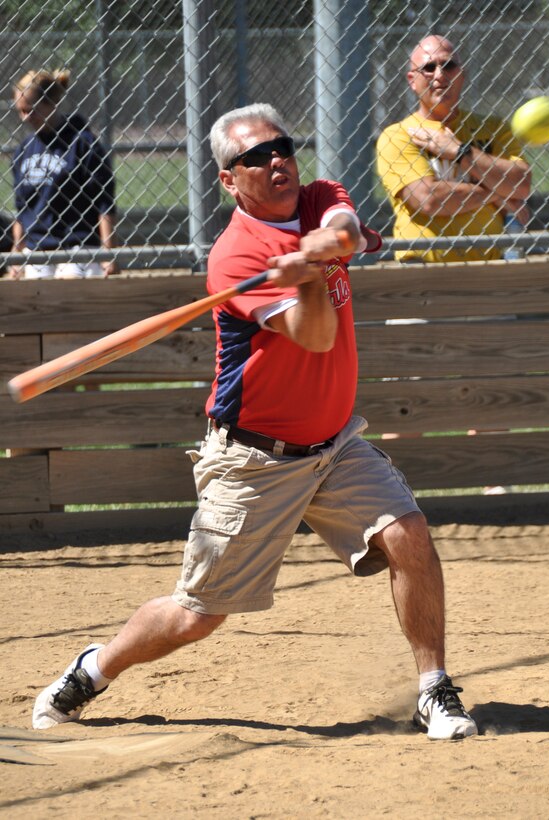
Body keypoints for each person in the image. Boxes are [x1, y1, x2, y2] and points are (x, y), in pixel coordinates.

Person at [32, 103, 477, 742]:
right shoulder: (236, 258)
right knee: (197, 616)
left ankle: (433, 689)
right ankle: (93, 669)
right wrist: (311, 280)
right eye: (254, 158)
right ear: (228, 180)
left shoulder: (318, 193)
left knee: (408, 532)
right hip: (254, 460)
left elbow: (343, 219)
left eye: (282, 148)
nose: (275, 162)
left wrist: (334, 240)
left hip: (334, 444)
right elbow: (317, 336)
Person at [376, 34, 532, 262]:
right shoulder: (398, 135)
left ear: (461, 73)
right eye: (429, 68)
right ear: (412, 80)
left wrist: (461, 152)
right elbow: (428, 199)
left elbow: (521, 183)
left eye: (448, 65)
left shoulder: (494, 128)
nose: (439, 75)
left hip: (489, 268)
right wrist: (498, 192)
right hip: (424, 273)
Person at [8, 69, 119, 279]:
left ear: (52, 104)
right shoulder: (24, 150)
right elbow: (22, 209)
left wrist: (108, 253)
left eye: (31, 110)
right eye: (20, 111)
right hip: (38, 247)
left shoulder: (82, 143)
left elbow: (104, 202)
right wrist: (17, 253)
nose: (25, 118)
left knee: (70, 283)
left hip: (78, 244)